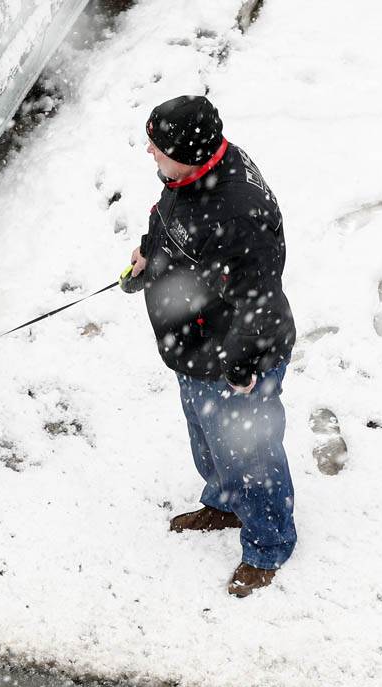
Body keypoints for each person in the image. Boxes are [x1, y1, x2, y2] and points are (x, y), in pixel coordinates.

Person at [128, 95, 297, 597]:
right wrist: (149, 249)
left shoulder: (241, 214)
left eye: (158, 147)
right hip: (194, 344)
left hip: (234, 358)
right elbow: (171, 217)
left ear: (190, 153)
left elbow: (260, 303)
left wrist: (242, 367)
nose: (150, 153)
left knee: (252, 454)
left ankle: (268, 545)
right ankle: (224, 502)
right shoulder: (191, 172)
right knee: (207, 437)